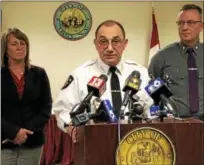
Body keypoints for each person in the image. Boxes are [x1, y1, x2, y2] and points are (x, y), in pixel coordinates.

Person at [53, 19, 152, 134]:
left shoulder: (141, 73)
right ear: (96, 44)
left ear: (124, 44)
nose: (109, 48)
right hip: (94, 141)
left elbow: (152, 109)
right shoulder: (80, 75)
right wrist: (72, 128)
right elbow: (62, 110)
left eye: (115, 41)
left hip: (135, 142)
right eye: (103, 41)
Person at [1, 28, 53, 165]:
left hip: (32, 141)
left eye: (23, 43)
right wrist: (13, 132)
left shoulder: (39, 74)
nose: (19, 47)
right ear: (5, 50)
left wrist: (25, 132)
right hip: (4, 141)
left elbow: (46, 108)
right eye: (14, 44)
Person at [148, 4, 203, 120]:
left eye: (191, 22)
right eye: (181, 23)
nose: (185, 27)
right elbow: (151, 91)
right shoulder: (162, 57)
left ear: (201, 26)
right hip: (175, 124)